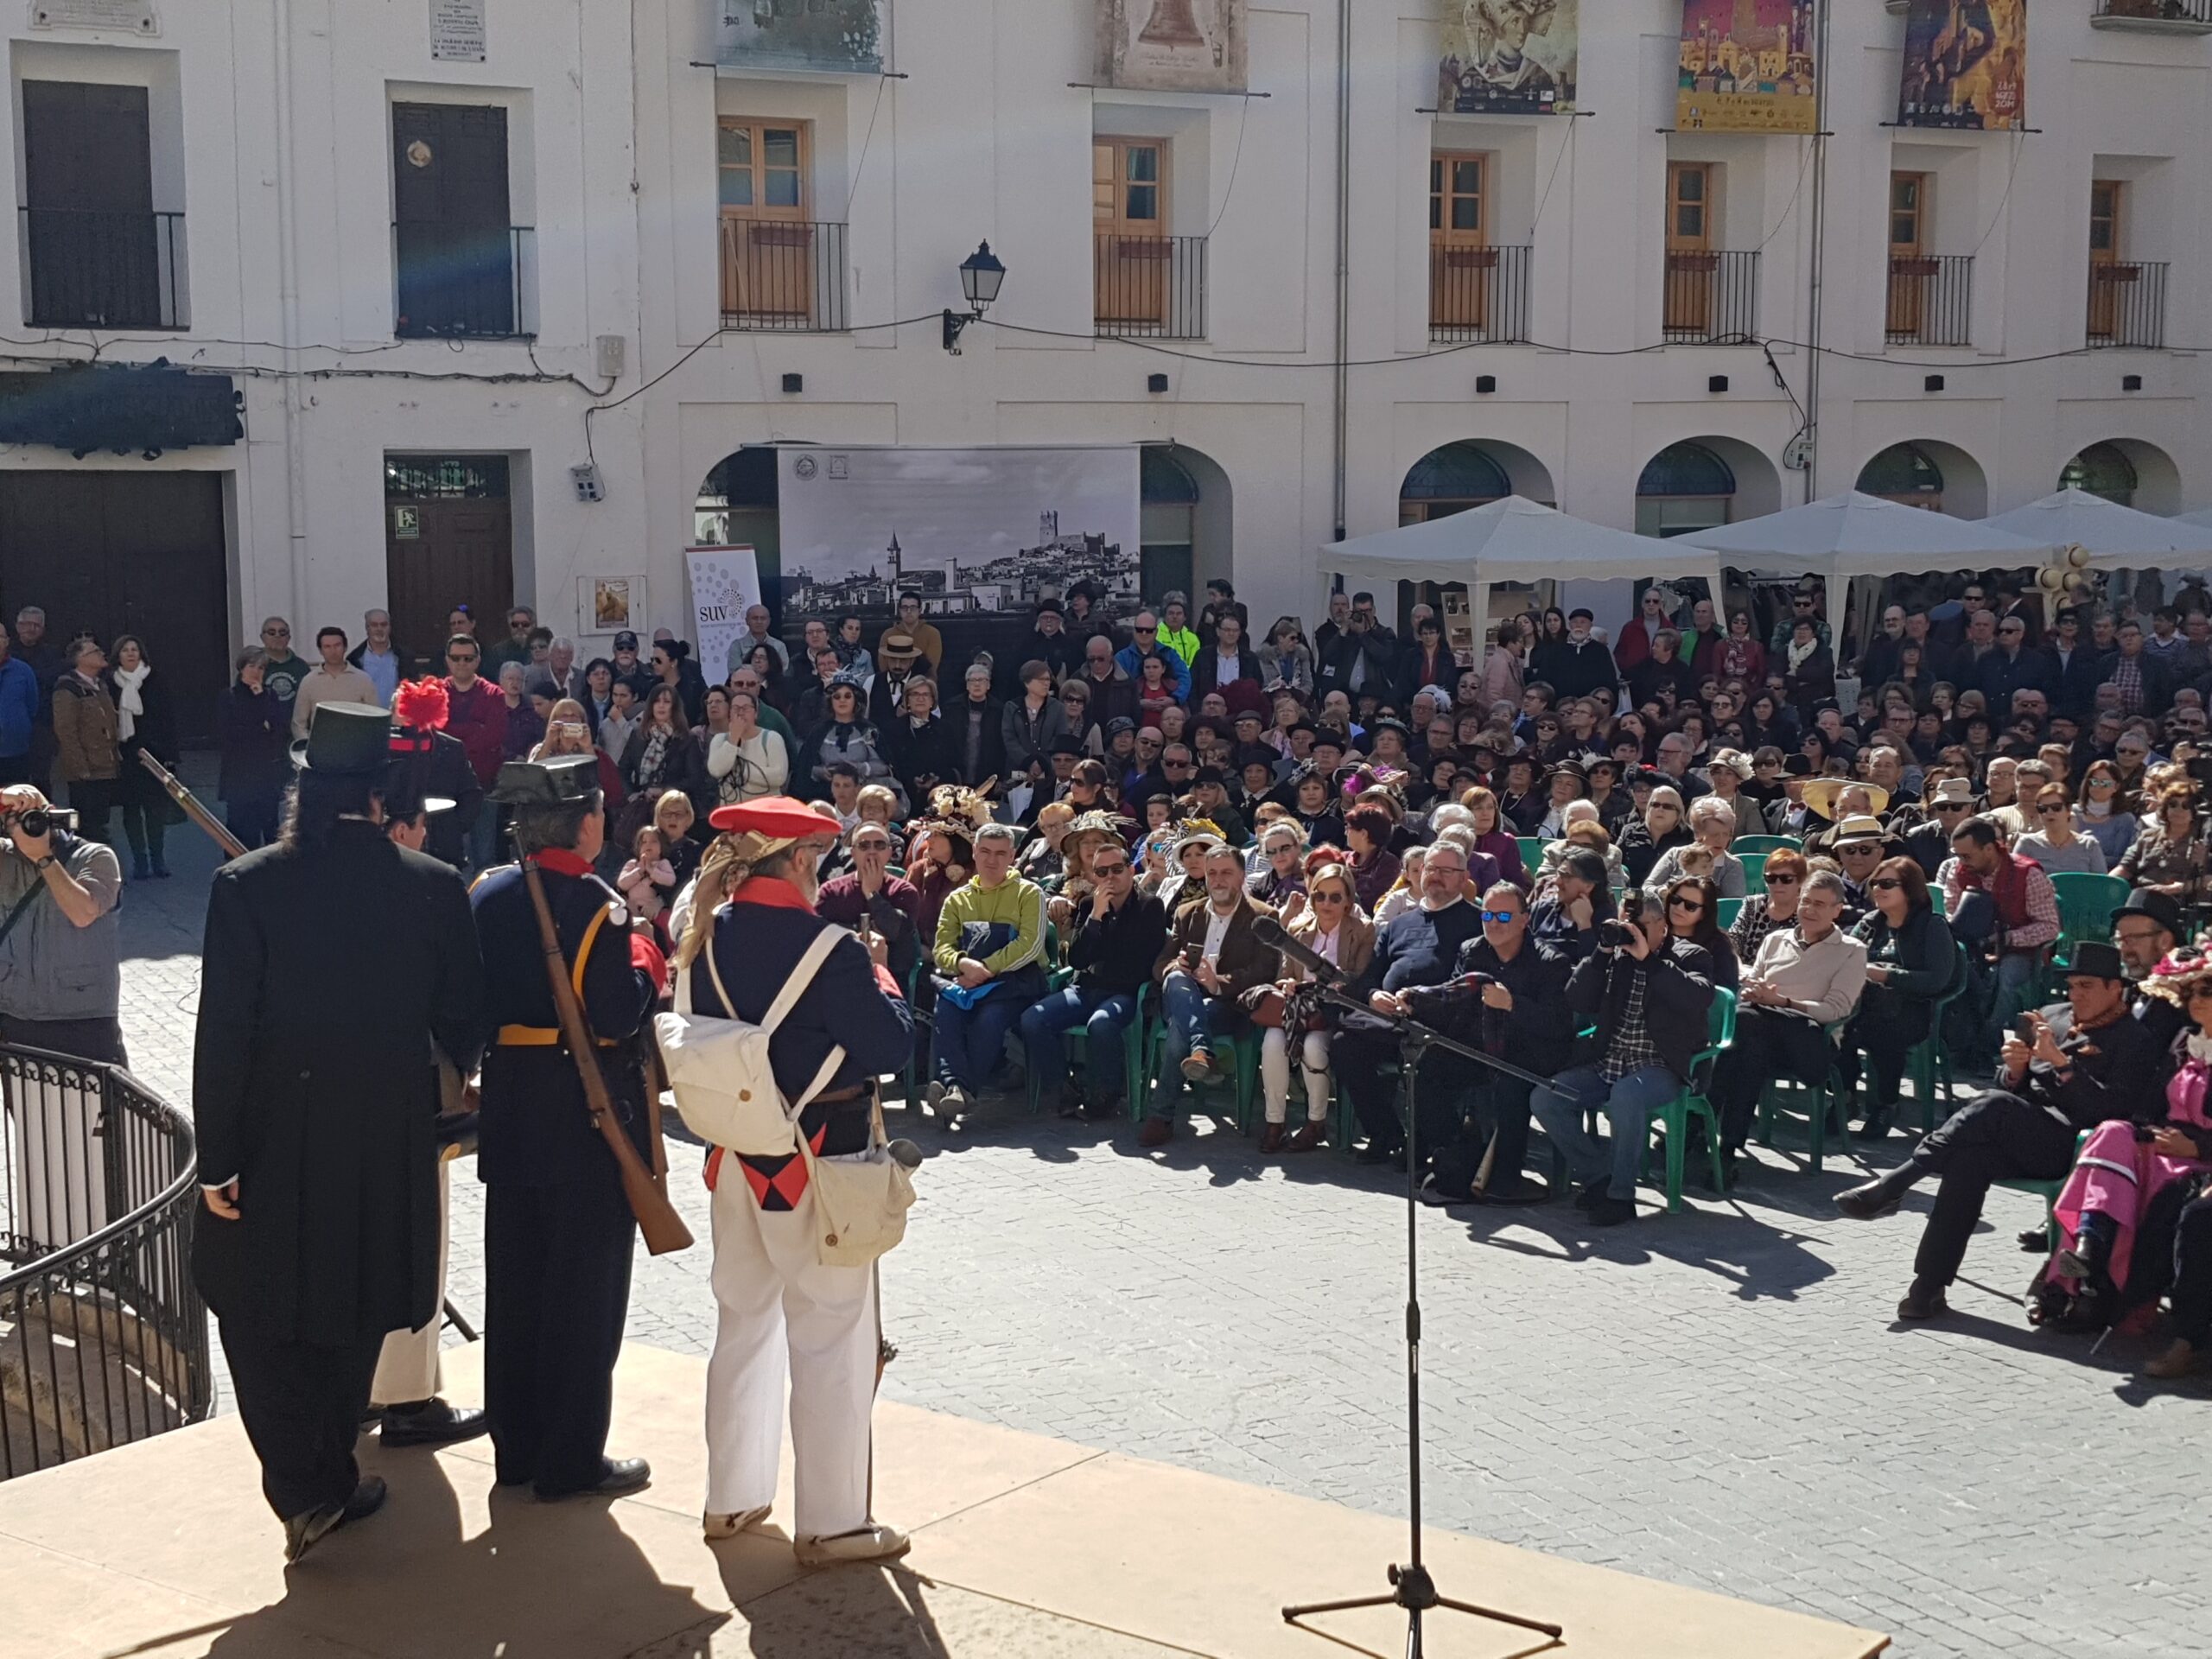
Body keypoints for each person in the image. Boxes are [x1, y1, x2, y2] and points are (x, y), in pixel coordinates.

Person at [190, 702, 486, 1559]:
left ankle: (305, 1482)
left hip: (273, 1134)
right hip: (386, 1132)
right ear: (383, 795)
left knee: (256, 1308)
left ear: (303, 791)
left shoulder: (245, 886)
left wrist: (218, 1160)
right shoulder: (432, 884)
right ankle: (324, 1476)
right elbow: (465, 1020)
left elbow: (224, 1036)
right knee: (358, 1299)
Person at [673, 798, 913, 1566]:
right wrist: (883, 981)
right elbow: (889, 1048)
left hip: (737, 1159)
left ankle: (732, 1497)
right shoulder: (832, 948)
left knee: (742, 1325)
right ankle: (834, 1522)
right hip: (819, 1163)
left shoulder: (704, 937)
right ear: (801, 860)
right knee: (833, 1334)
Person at [471, 756, 664, 1502]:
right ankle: (570, 1458)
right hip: (582, 1112)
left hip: (512, 1104)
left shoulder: (487, 892)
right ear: (585, 824)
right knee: (583, 1292)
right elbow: (614, 1016)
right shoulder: (597, 904)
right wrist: (646, 961)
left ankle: (515, 1447)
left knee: (515, 1284)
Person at [1834, 941, 2167, 1320]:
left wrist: (2061, 1065)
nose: (2076, 995)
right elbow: (2007, 1084)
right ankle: (1928, 1285)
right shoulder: (2052, 1016)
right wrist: (2014, 1070)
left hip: (2076, 1149)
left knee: (1993, 1105)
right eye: (2072, 985)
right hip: (2019, 1129)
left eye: (2087, 986)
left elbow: (2111, 1113)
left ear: (2115, 988)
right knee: (1968, 1159)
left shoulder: (2136, 1040)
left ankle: (1898, 1181)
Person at [362, 737, 486, 1452]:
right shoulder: (433, 887)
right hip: (414, 1087)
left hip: (339, 1094)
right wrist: (462, 1068)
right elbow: (462, 1004)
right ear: (402, 827)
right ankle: (407, 1397)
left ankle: (358, 1389)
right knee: (416, 1242)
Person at [1531, 889, 1718, 1226]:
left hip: (1663, 1066)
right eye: (1626, 926)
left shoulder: (1691, 955)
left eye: (1640, 928)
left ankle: (1621, 1197)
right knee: (1546, 1098)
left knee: (1626, 1095)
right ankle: (1598, 1178)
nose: (1631, 934)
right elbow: (1577, 1000)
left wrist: (1650, 962)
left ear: (1661, 926)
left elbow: (1698, 997)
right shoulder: (1617, 958)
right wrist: (1602, 951)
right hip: (1610, 1061)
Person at [1404, 880, 1575, 1204]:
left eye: (1504, 917)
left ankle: (1506, 1177)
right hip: (1482, 1046)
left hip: (1531, 1053)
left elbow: (1557, 1025)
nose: (1494, 923)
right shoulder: (1472, 951)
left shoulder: (1550, 962)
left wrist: (1512, 1004)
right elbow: (1452, 1000)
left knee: (1510, 1086)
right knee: (1430, 1067)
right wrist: (1413, 1002)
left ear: (1524, 920)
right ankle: (1452, 1154)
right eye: (1487, 915)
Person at [1333, 841, 1488, 1166]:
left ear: (1464, 878)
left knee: (1425, 1057)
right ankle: (1385, 1133)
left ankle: (1426, 1147)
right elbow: (1370, 977)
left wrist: (1419, 1002)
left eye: (1446, 871)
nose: (1436, 876)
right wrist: (1374, 995)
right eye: (1431, 869)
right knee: (1344, 1044)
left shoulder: (1477, 924)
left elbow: (1469, 986)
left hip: (1441, 1026)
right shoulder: (1399, 924)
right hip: (1388, 1020)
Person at [1709, 870, 1866, 1179]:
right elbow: (1753, 984)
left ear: (1837, 910)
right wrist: (1753, 992)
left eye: (1820, 904)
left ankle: (1699, 1126)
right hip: (1761, 1035)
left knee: (1743, 1025)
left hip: (1811, 1042)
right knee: (1749, 1047)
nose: (1810, 909)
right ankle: (1727, 1150)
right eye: (1806, 901)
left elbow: (1835, 1011)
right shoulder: (1775, 940)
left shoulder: (1852, 950)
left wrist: (1783, 1002)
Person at [1020, 836, 1166, 1121]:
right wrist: (1096, 918)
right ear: (1094, 876)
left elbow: (1140, 960)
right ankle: (1063, 1088)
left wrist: (1105, 945)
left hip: (1126, 992)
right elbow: (1077, 959)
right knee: (1032, 1019)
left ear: (1131, 870)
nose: (1110, 876)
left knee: (1101, 1024)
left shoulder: (1150, 906)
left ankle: (1107, 1094)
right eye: (1102, 871)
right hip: (1085, 988)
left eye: (1117, 869)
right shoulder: (1089, 906)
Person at [1143, 842, 1276, 1147]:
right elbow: (1160, 964)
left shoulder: (1263, 916)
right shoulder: (1188, 912)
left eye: (1226, 873)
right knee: (1176, 978)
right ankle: (1202, 1049)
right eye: (1212, 873)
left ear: (1242, 876)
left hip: (1227, 1005)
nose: (1218, 880)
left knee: (1181, 1029)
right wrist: (1175, 965)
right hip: (1183, 994)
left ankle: (1161, 1115)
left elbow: (1264, 969)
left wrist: (1218, 983)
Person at [927, 822, 1049, 1113]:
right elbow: (941, 949)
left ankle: (957, 1086)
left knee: (989, 1019)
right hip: (968, 982)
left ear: (1012, 856)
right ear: (974, 852)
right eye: (985, 852)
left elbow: (1030, 945)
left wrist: (985, 968)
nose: (992, 860)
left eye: (1000, 853)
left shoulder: (1029, 894)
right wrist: (962, 963)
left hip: (1016, 984)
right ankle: (958, 1089)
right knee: (946, 1010)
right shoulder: (957, 899)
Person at [0, 780, 125, 1063]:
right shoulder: (5, 859)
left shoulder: (95, 857)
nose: (29, 825)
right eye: (17, 819)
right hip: (16, 1013)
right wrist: (3, 797)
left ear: (53, 817)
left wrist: (44, 858)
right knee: (27, 1094)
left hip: (82, 1018)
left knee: (91, 1093)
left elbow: (83, 913)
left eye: (36, 817)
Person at [1252, 866, 1375, 1153]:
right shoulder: (1298, 928)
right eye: (1320, 896)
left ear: (1348, 900)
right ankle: (1275, 1122)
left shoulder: (1363, 930)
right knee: (1272, 1042)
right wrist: (1288, 984)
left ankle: (1315, 1122)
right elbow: (1283, 975)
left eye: (1335, 897)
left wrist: (1338, 982)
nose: (1326, 904)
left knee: (1314, 1046)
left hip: (1333, 1012)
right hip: (1298, 1009)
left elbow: (1361, 976)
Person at [1845, 857, 1958, 1139]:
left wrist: (1887, 975)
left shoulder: (1932, 926)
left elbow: (1937, 979)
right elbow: (1846, 958)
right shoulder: (1870, 923)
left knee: (1883, 1030)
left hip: (1913, 1008)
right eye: (1874, 883)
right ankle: (1845, 1095)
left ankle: (1886, 1104)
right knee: (1833, 1025)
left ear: (1909, 888)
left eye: (1887, 884)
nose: (1877, 889)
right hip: (1865, 1002)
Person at [1944, 813, 2061, 1056]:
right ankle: (1959, 1039)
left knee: (2008, 977)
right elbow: (1952, 916)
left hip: (2021, 950)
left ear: (1989, 849)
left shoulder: (2029, 874)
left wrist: (2007, 938)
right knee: (1953, 971)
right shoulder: (1958, 872)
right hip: (1973, 947)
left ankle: (1988, 1042)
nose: (1962, 861)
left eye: (1967, 856)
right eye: (1958, 855)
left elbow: (2050, 926)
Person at [103, 633, 178, 880]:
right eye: (125, 650)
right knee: (131, 811)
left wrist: (170, 754)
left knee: (155, 811)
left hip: (154, 754)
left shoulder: (154, 679)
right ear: (118, 655)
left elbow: (168, 718)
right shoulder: (109, 683)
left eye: (134, 649)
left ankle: (158, 858)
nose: (131, 653)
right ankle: (140, 860)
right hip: (125, 755)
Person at [816, 820, 925, 988]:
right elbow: (821, 935)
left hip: (891, 980)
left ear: (889, 852)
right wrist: (861, 931)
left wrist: (872, 894)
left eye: (879, 845)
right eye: (864, 845)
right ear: (853, 853)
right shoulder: (830, 892)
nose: (872, 851)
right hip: (839, 977)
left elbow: (899, 933)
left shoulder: (904, 891)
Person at [52, 638, 121, 847]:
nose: (101, 653)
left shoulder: (101, 685)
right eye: (94, 651)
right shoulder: (68, 688)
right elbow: (66, 731)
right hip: (85, 771)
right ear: (80, 659)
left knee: (101, 821)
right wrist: (80, 767)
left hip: (106, 766)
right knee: (86, 825)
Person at [219, 649, 290, 850]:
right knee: (241, 829)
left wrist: (260, 700)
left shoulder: (269, 696)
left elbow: (278, 730)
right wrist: (261, 728)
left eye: (261, 668)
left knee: (270, 827)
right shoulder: (228, 696)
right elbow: (229, 733)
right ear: (242, 668)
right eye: (251, 666)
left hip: (266, 773)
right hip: (238, 773)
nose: (256, 672)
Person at [2114, 782, 2208, 905]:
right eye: (2173, 805)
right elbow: (2125, 868)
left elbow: (2207, 880)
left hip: (2177, 902)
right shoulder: (2148, 837)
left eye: (2186, 806)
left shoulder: (2202, 842)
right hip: (2141, 896)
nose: (2178, 810)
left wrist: (2175, 888)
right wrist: (2106, 884)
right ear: (2165, 808)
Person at [292, 626, 379, 741]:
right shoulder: (309, 681)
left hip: (355, 746)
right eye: (327, 647)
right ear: (320, 650)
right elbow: (298, 723)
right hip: (321, 747)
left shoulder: (363, 680)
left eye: (337, 645)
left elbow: (376, 718)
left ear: (345, 647)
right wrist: (308, 746)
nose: (333, 651)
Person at [709, 686, 791, 804]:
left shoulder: (772, 738)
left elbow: (779, 777)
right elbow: (716, 770)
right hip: (731, 809)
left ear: (755, 713)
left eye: (745, 708)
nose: (740, 712)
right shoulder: (720, 739)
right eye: (736, 708)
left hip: (765, 808)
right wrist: (734, 739)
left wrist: (741, 772)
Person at [2014, 782, 2106, 874]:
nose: (2049, 812)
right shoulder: (2027, 844)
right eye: (2043, 809)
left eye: (2056, 807)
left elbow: (2101, 881)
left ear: (2068, 810)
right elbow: (2014, 878)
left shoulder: (2089, 845)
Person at [255, 617, 313, 727]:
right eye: (271, 632)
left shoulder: (301, 667)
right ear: (262, 637)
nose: (277, 636)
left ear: (288, 638)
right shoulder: (252, 666)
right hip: (262, 731)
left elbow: (310, 700)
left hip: (295, 730)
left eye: (282, 633)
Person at [0, 628, 37, 787]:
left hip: (15, 751)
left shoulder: (23, 670)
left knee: (17, 796)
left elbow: (32, 706)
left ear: (7, 641)